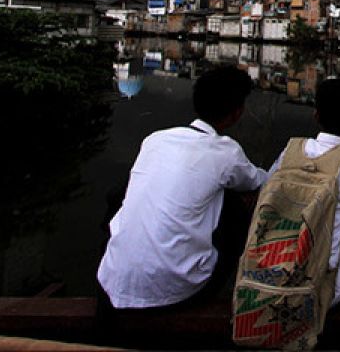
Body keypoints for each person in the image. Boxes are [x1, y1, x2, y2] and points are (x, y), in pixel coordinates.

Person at [98, 66, 268, 309]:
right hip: (174, 294)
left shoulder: (155, 140)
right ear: (237, 112)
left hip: (111, 282)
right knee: (236, 204)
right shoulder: (226, 151)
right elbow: (259, 182)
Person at [265, 75, 340, 305]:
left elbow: (266, 190)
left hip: (273, 271)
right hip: (321, 285)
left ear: (316, 115)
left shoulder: (291, 149)